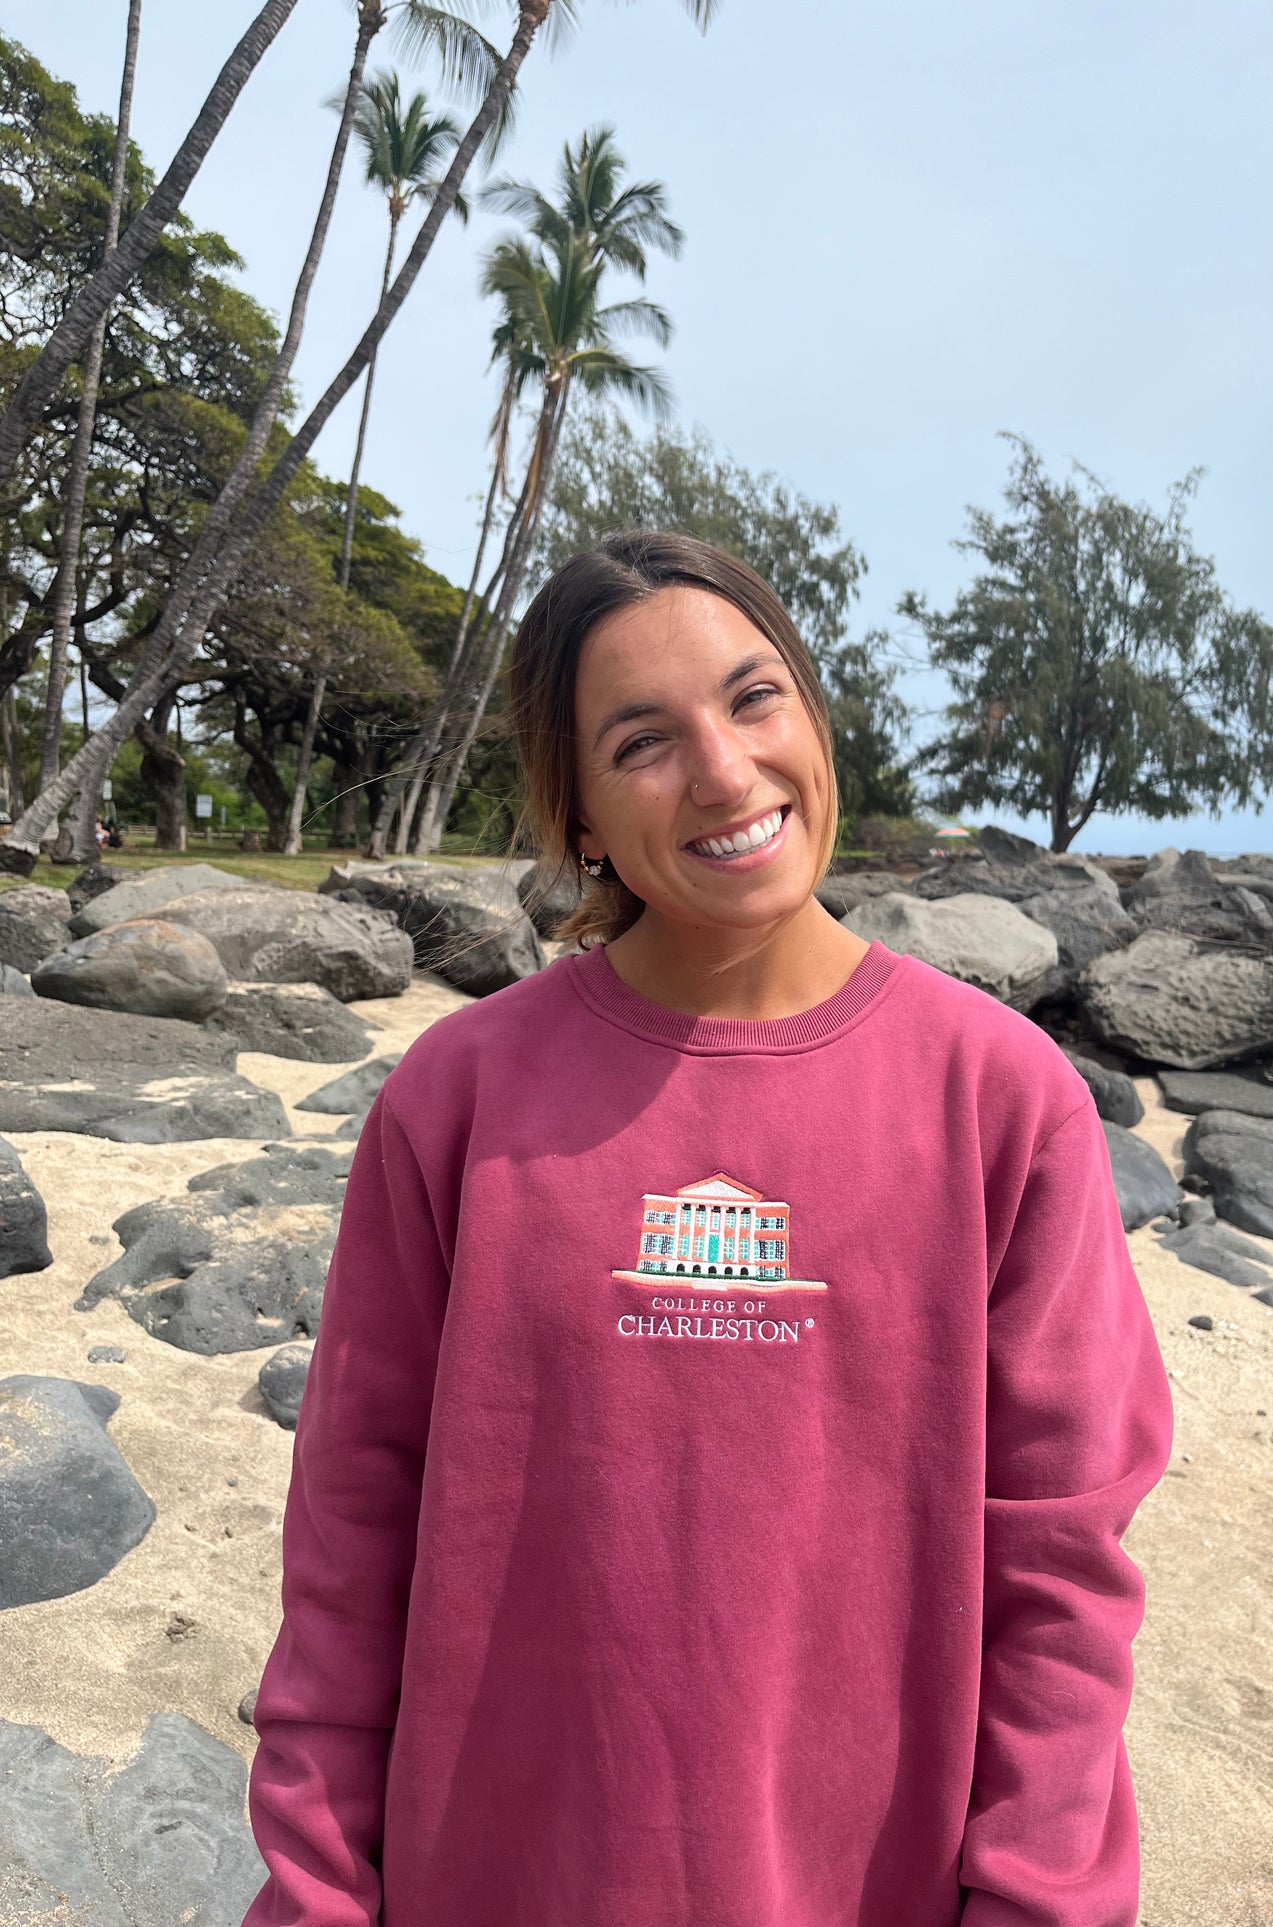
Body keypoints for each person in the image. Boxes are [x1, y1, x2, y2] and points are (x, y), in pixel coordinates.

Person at [243, 531, 1172, 1927]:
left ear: (809, 710)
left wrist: (1038, 1901)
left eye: (753, 700)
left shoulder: (999, 1100)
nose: (726, 774)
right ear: (575, 817)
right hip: (494, 1875)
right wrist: (316, 1893)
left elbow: (1061, 1565)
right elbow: (348, 1540)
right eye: (641, 742)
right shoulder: (459, 1099)